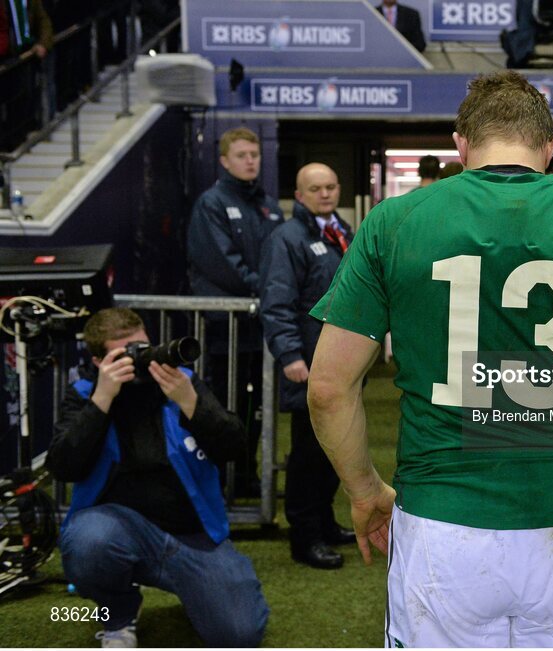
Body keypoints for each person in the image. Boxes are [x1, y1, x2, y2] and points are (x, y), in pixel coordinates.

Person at [307, 70, 553, 647]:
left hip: (443, 518)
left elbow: (329, 389)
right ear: (550, 148)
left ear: (461, 145)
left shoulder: (395, 220)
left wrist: (363, 490)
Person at [48, 308, 268, 648]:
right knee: (87, 542)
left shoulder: (179, 382)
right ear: (97, 361)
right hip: (117, 531)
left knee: (239, 635)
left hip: (192, 535)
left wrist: (191, 402)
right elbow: (63, 466)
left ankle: (205, 587)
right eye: (125, 354)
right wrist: (102, 398)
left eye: (143, 348)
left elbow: (234, 447)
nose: (139, 360)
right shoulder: (84, 393)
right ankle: (118, 617)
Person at [260, 163, 357, 570]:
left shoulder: (342, 233)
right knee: (308, 453)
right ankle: (305, 537)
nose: (325, 193)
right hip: (310, 364)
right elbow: (277, 302)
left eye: (331, 186)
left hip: (343, 365)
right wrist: (290, 356)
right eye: (315, 188)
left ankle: (325, 521)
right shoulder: (287, 239)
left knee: (335, 447)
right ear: (298, 195)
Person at [187, 127, 283, 497]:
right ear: (224, 160)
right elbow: (221, 264)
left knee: (257, 407)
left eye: (254, 155)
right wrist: (270, 287)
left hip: (260, 328)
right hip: (224, 329)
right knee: (227, 406)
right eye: (242, 155)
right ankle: (223, 481)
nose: (250, 161)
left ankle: (246, 477)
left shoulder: (268, 205)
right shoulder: (211, 203)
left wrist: (273, 288)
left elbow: (279, 258)